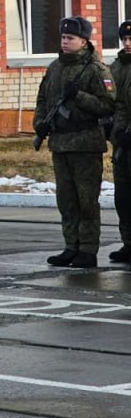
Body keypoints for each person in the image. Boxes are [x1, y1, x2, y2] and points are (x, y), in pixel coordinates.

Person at [36, 16, 115, 269]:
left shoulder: (96, 70)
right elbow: (41, 99)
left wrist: (79, 96)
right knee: (66, 199)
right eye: (63, 37)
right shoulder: (55, 68)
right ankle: (71, 246)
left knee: (86, 200)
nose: (65, 41)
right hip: (60, 143)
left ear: (84, 41)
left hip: (85, 143)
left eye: (70, 38)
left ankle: (88, 250)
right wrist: (40, 123)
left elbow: (108, 106)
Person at [108, 21, 131, 262]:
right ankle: (128, 243)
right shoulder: (116, 67)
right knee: (123, 195)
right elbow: (110, 101)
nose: (127, 43)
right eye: (124, 39)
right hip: (121, 140)